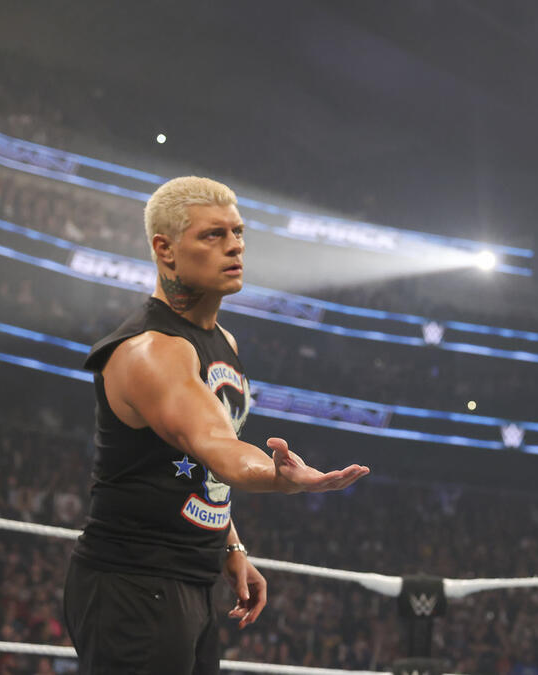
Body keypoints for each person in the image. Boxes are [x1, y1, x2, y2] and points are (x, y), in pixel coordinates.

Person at [62, 176, 370, 674]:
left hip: (189, 579)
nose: (235, 246)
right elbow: (215, 444)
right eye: (213, 235)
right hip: (134, 583)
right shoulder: (152, 351)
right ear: (165, 249)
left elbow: (197, 469)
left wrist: (231, 546)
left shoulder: (223, 340)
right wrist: (278, 476)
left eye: (238, 232)